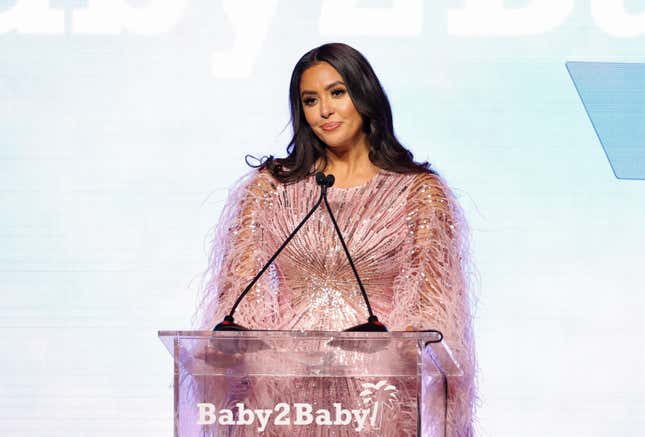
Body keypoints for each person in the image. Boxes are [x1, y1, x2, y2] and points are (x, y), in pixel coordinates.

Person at [190, 42, 476, 436]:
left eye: (337, 93)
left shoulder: (418, 193)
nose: (324, 110)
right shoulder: (271, 189)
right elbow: (237, 302)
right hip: (282, 401)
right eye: (310, 100)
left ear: (365, 94)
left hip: (375, 402)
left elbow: (431, 311)